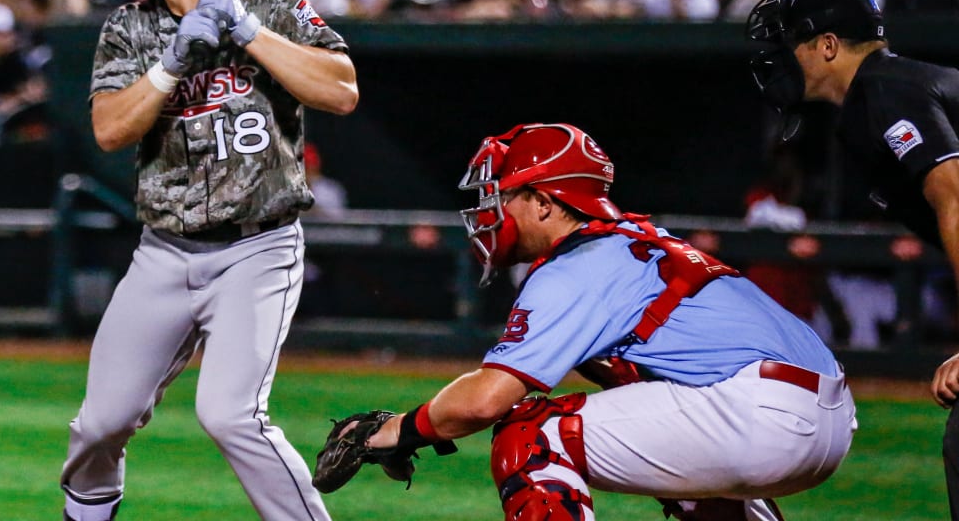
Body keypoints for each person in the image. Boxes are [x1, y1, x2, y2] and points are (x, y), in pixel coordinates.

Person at [336, 123, 854, 520]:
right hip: (822, 413)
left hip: (759, 414)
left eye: (503, 195)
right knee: (643, 419)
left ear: (543, 202)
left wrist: (400, 429)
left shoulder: (575, 265)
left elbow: (485, 401)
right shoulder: (634, 239)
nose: (489, 210)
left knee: (531, 434)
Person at [61, 0, 358, 521]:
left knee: (231, 416)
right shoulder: (129, 29)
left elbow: (341, 89)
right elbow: (111, 129)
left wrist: (251, 34)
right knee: (100, 424)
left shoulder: (271, 0)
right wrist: (172, 65)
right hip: (164, 252)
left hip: (258, 250)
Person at [745, 0, 959, 518]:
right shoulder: (874, 101)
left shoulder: (886, 89)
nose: (780, 58)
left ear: (828, 45)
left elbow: (955, 198)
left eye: (790, 42)